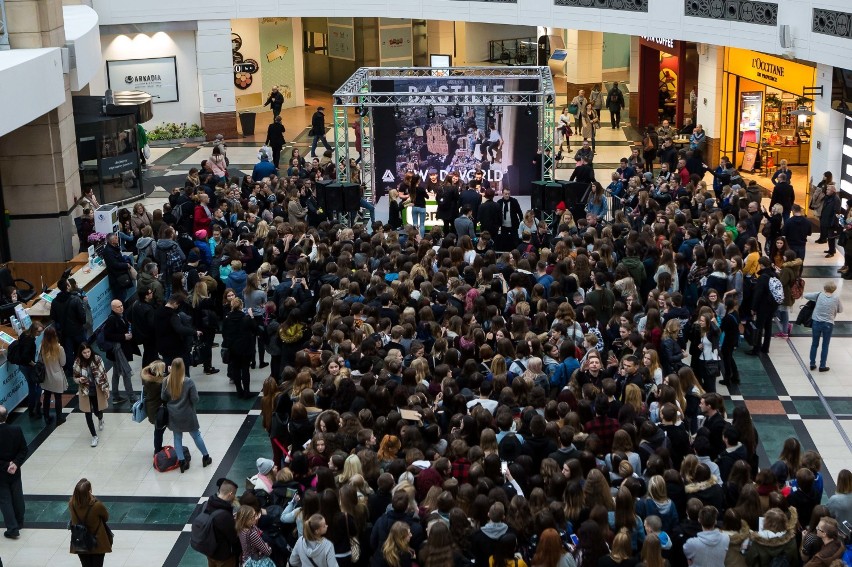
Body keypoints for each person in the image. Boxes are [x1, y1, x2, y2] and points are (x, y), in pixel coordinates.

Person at [161, 358, 213, 473]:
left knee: (177, 438)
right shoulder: (188, 381)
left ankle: (182, 462)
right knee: (196, 435)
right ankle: (205, 457)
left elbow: (163, 398)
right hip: (188, 414)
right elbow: (195, 399)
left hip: (173, 414)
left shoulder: (166, 381)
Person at [72, 343, 109, 448]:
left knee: (97, 411)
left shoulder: (97, 359)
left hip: (97, 389)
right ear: (81, 353)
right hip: (85, 390)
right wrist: (79, 379)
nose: (87, 354)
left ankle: (100, 418)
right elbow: (75, 376)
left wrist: (106, 388)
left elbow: (103, 374)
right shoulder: (78, 362)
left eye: (88, 351)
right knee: (87, 414)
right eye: (84, 352)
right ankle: (94, 436)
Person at [68, 478, 111, 566]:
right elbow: (106, 517)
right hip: (97, 541)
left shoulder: (72, 503)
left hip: (80, 540)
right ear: (89, 491)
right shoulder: (96, 505)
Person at [104, 299, 139, 405]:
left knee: (116, 374)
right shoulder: (112, 319)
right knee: (125, 373)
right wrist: (123, 336)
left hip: (120, 351)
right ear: (113, 308)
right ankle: (132, 396)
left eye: (121, 305)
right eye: (118, 306)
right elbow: (108, 335)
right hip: (117, 352)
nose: (121, 307)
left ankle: (115, 396)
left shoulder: (121, 316)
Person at [0, 405, 27, 539]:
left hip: (1, 472)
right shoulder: (16, 430)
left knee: (5, 499)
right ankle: (20, 521)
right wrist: (15, 464)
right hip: (15, 470)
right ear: (7, 416)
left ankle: (12, 528)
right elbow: (23, 450)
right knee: (17, 495)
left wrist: (6, 465)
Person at [804, 281, 843, 372]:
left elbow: (806, 295)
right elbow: (840, 310)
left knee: (814, 344)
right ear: (834, 289)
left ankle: (812, 364)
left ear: (825, 288)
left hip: (816, 322)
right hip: (828, 324)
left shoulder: (819, 295)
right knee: (825, 345)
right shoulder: (836, 298)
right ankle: (822, 366)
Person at [222, 297, 256, 398]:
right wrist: (252, 316)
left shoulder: (227, 319)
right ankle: (246, 391)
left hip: (233, 348)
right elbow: (255, 329)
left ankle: (239, 391)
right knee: (245, 370)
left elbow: (224, 333)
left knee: (235, 369)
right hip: (245, 348)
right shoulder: (246, 318)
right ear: (241, 306)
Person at [201, 478, 240, 567]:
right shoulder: (224, 515)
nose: (235, 497)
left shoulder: (206, 504)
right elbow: (233, 538)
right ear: (230, 494)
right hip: (223, 556)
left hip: (209, 551)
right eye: (234, 494)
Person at [39, 327, 67, 427]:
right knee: (58, 397)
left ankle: (46, 416)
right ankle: (59, 418)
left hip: (46, 376)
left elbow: (40, 361)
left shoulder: (42, 346)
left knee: (46, 396)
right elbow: (63, 363)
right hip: (57, 375)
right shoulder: (59, 348)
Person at [819, 183, 841, 258]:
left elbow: (836, 212)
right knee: (829, 236)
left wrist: (833, 223)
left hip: (831, 222)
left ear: (833, 191)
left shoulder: (836, 199)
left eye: (828, 189)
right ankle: (831, 249)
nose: (826, 191)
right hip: (826, 220)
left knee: (831, 237)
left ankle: (831, 252)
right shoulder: (828, 197)